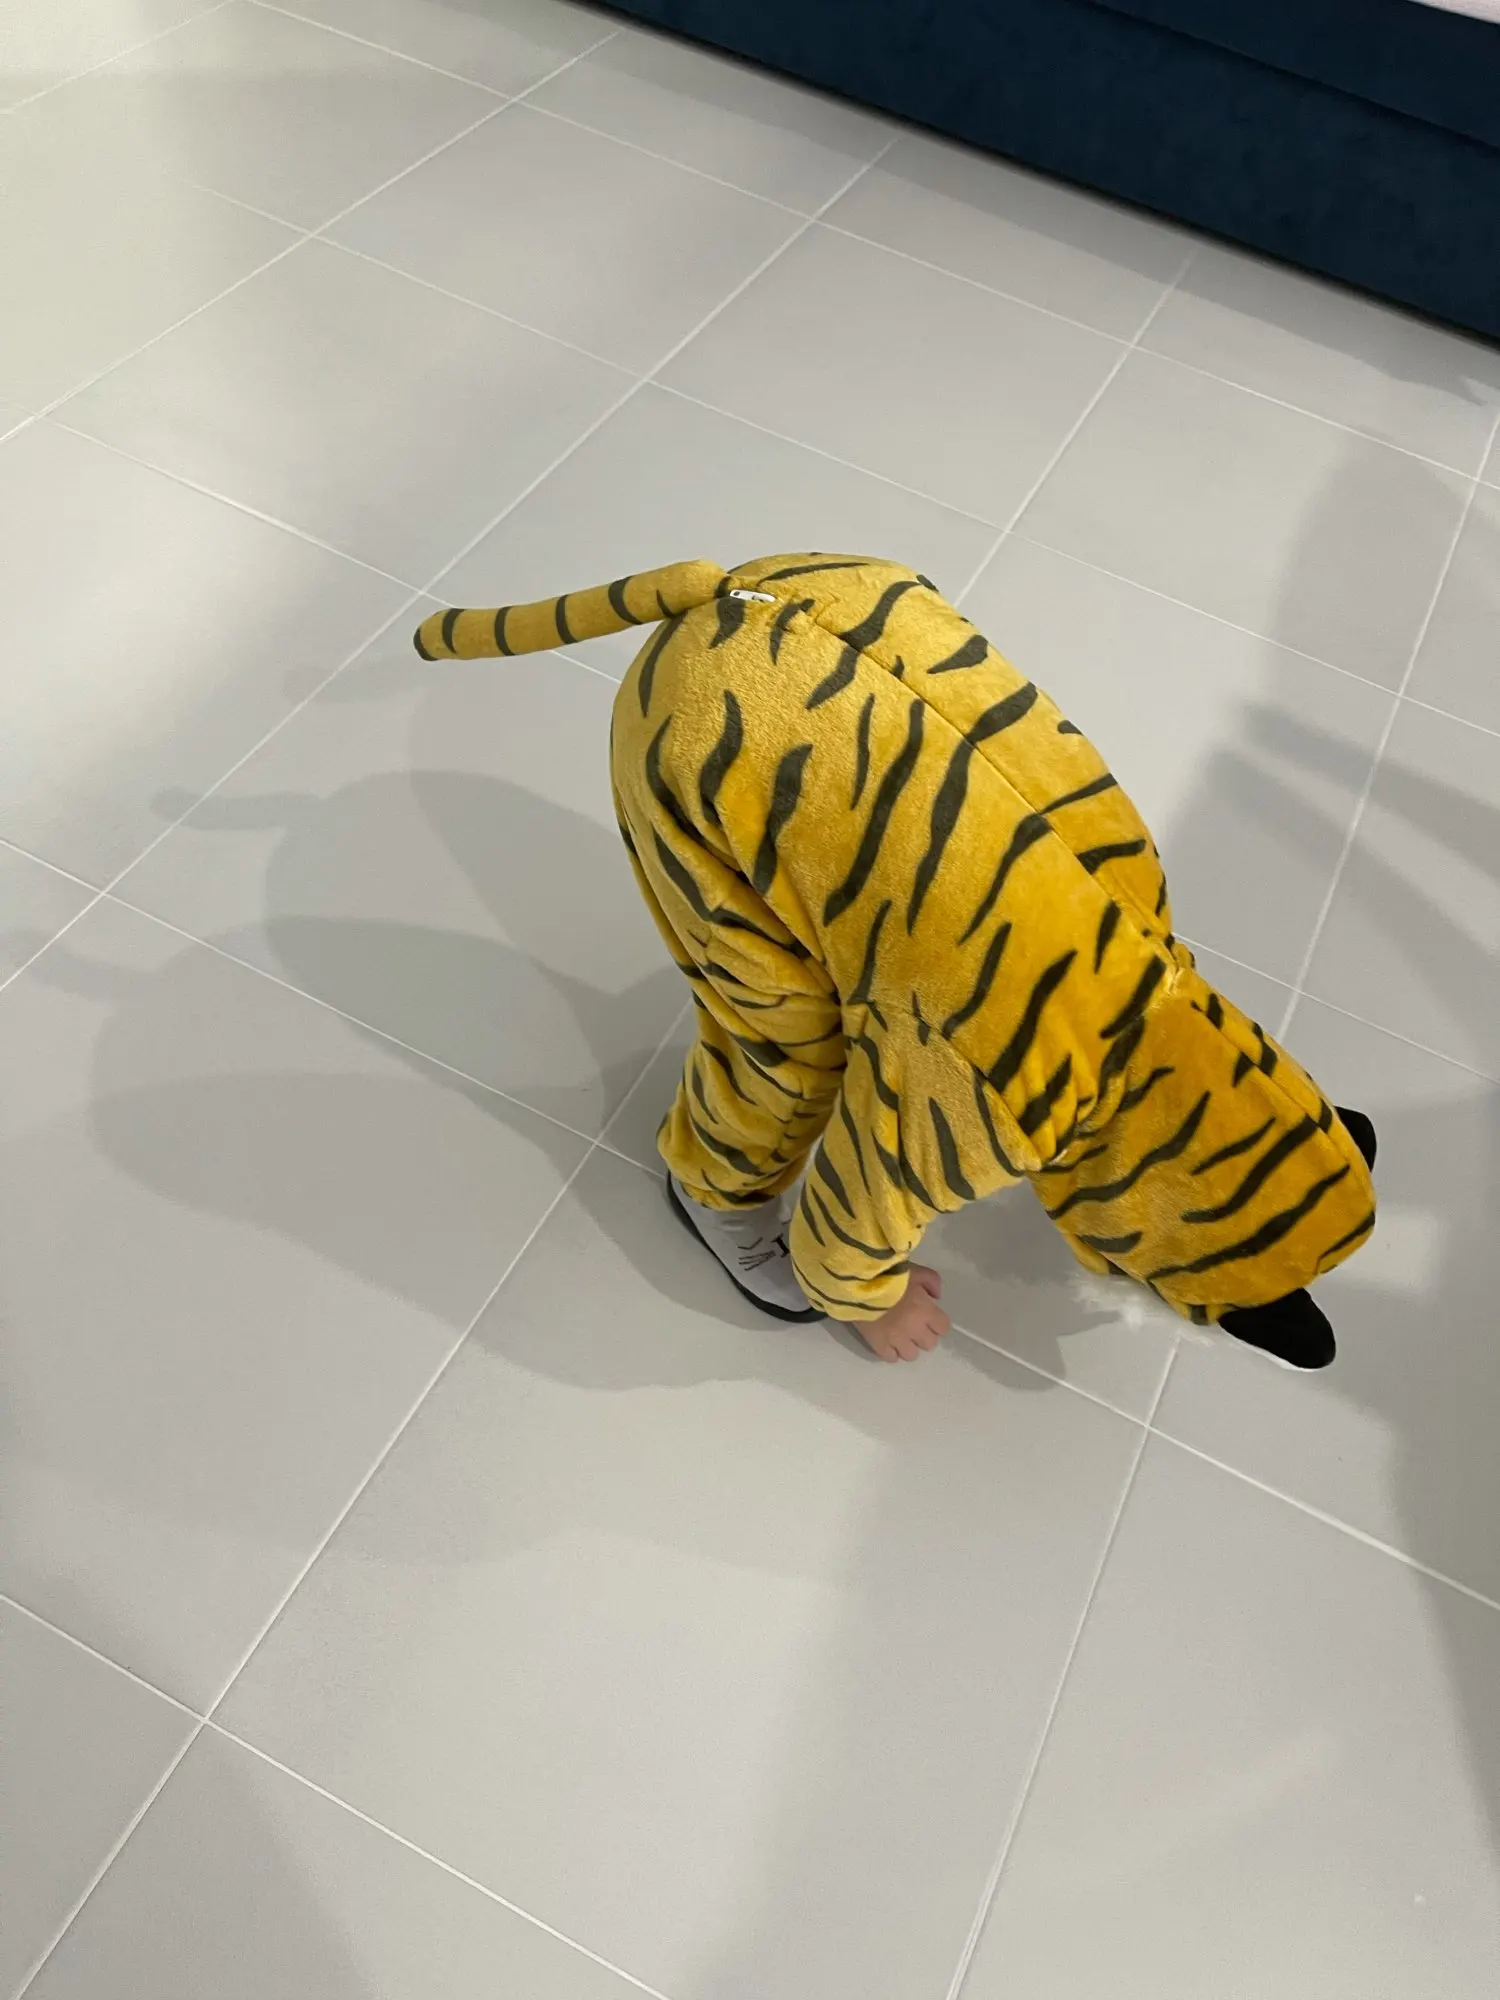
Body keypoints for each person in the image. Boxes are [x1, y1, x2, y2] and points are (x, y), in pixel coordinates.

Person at [415, 554, 1377, 1371]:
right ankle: (712, 1191)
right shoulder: (1008, 1096)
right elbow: (854, 1215)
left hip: (847, 600)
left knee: (900, 968)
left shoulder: (1150, 926)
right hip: (704, 734)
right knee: (785, 1052)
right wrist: (866, 1299)